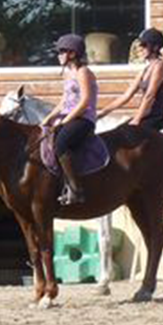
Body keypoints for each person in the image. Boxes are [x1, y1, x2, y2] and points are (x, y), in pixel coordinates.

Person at [41, 33, 99, 206]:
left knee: (61, 144)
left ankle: (76, 190)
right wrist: (48, 118)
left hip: (83, 119)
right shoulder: (67, 74)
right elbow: (64, 102)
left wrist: (65, 122)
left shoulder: (83, 72)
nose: (58, 55)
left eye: (61, 51)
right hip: (69, 117)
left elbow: (85, 101)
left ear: (72, 53)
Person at [99, 28, 163, 132]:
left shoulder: (160, 66)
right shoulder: (144, 70)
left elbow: (149, 96)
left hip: (157, 118)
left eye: (144, 45)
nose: (140, 48)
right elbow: (126, 96)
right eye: (140, 45)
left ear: (156, 47)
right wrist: (102, 113)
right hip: (146, 116)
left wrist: (137, 119)